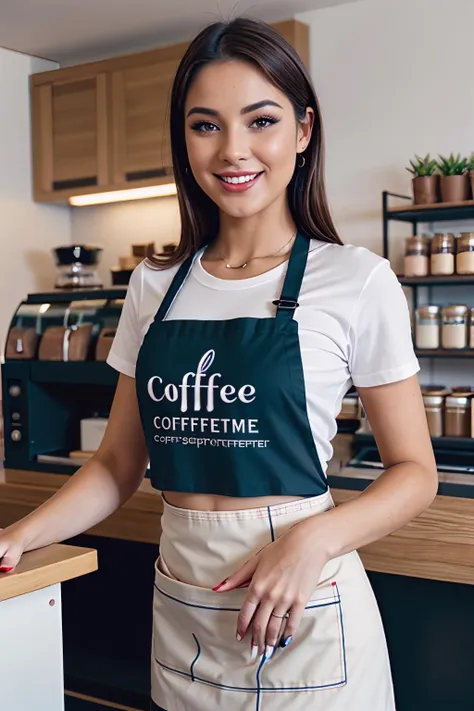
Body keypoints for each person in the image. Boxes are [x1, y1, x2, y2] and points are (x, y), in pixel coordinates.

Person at [0, 17, 437, 711]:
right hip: (185, 613)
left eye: (260, 120)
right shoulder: (154, 284)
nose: (233, 150)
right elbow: (117, 463)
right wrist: (17, 536)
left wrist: (312, 541)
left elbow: (416, 473)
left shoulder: (357, 279)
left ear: (302, 130)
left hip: (307, 612)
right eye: (205, 125)